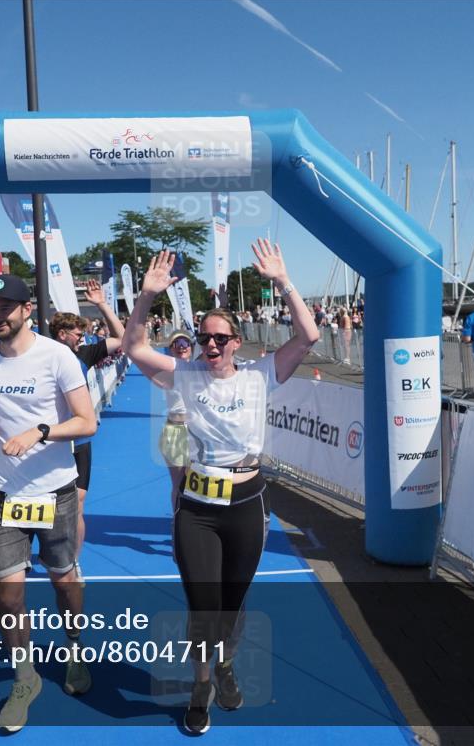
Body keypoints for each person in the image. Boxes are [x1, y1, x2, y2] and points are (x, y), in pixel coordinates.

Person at [122, 240, 319, 734]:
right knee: (203, 605)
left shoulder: (260, 375)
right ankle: (201, 684)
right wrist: (145, 298)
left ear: (237, 342)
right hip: (198, 508)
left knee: (232, 604)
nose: (210, 346)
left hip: (247, 504)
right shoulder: (184, 375)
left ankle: (227, 662)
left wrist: (283, 281)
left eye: (219, 339)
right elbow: (134, 348)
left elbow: (309, 335)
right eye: (204, 338)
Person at [0, 274, 97, 733]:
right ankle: (24, 679)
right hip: (4, 494)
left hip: (55, 491)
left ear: (25, 311)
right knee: (8, 592)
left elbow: (87, 422)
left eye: (4, 308)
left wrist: (40, 431)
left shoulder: (57, 356)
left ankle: (75, 648)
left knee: (64, 581)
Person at [50, 279, 125, 582]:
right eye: (78, 333)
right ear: (62, 334)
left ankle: (72, 561)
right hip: (53, 442)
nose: (83, 337)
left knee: (78, 504)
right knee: (51, 506)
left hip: (80, 441)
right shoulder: (43, 355)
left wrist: (102, 305)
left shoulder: (85, 355)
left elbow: (124, 339)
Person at [159, 330, 193, 509]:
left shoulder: (203, 368)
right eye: (176, 344)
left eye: (185, 343)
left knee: (199, 485)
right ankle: (178, 524)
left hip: (200, 433)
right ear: (171, 349)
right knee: (180, 484)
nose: (181, 347)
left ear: (191, 347)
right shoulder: (167, 371)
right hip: (176, 431)